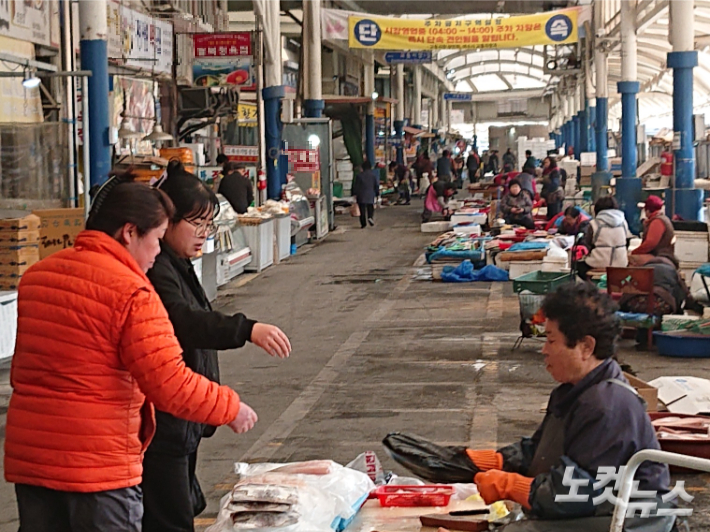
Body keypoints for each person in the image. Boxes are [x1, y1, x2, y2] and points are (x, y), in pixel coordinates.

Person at [5, 173, 255, 532]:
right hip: (97, 466)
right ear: (129, 232)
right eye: (155, 239)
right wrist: (229, 407)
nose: (158, 252)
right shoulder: (132, 292)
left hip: (33, 461)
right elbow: (168, 381)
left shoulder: (39, 277)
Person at [142, 164, 292, 532]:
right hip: (165, 424)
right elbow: (185, 323)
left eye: (208, 225)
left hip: (181, 420)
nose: (204, 235)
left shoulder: (174, 263)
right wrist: (246, 329)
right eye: (196, 224)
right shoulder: (157, 267)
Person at [469, 283, 674, 532]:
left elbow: (577, 492)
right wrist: (498, 460)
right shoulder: (573, 390)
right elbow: (541, 451)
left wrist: (511, 486)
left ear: (586, 347)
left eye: (552, 340)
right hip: (594, 508)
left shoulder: (607, 406)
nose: (544, 350)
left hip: (628, 520)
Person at [576, 196, 632, 280]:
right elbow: (627, 241)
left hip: (598, 263)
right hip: (621, 263)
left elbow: (587, 244)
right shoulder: (623, 222)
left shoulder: (594, 223)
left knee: (577, 266)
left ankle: (591, 287)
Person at [630, 195, 676, 265]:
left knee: (631, 258)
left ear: (648, 210)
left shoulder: (657, 221)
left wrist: (634, 252)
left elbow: (650, 243)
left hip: (659, 256)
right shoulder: (663, 218)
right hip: (664, 255)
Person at [353, 160, 380, 228]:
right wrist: (377, 193)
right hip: (370, 194)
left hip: (361, 194)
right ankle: (370, 217)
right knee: (370, 207)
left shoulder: (359, 176)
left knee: (362, 209)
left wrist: (354, 194)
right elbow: (376, 185)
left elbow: (356, 186)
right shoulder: (373, 176)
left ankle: (363, 223)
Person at [540, 156, 564, 220]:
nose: (545, 164)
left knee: (555, 215)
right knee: (550, 214)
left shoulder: (555, 171)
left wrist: (545, 194)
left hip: (555, 196)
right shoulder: (546, 171)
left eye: (547, 162)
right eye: (544, 162)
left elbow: (554, 185)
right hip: (549, 197)